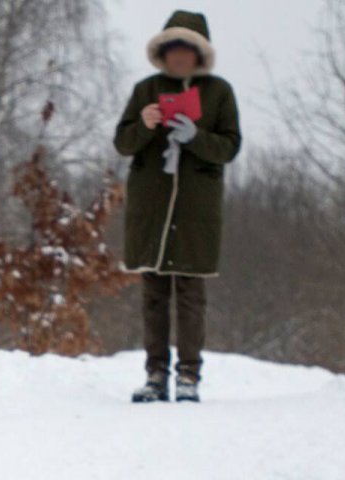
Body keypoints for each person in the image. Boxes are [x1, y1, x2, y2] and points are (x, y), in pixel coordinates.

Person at [114, 11, 242, 404]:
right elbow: (123, 143)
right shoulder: (145, 90)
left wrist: (196, 137)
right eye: (173, 50)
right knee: (153, 295)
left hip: (194, 210)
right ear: (164, 53)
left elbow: (230, 146)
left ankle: (189, 375)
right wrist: (145, 126)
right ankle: (155, 375)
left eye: (187, 51)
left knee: (190, 295)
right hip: (151, 207)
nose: (179, 58)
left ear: (199, 54)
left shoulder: (219, 92)